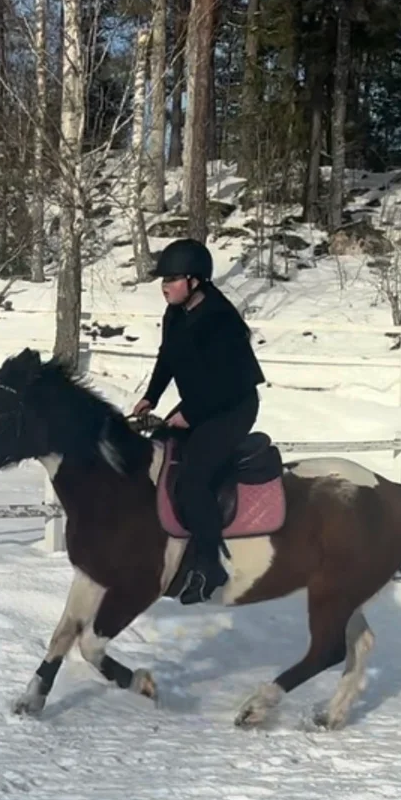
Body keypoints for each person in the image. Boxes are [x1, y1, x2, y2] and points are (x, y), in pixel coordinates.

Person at [131, 238, 265, 603]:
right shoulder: (175, 313)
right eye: (163, 280)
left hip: (233, 407)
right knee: (160, 454)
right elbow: (167, 358)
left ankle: (209, 565)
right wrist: (151, 398)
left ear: (195, 281)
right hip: (200, 401)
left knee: (193, 478)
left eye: (172, 279)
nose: (164, 287)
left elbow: (225, 385)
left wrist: (186, 415)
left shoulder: (222, 321)